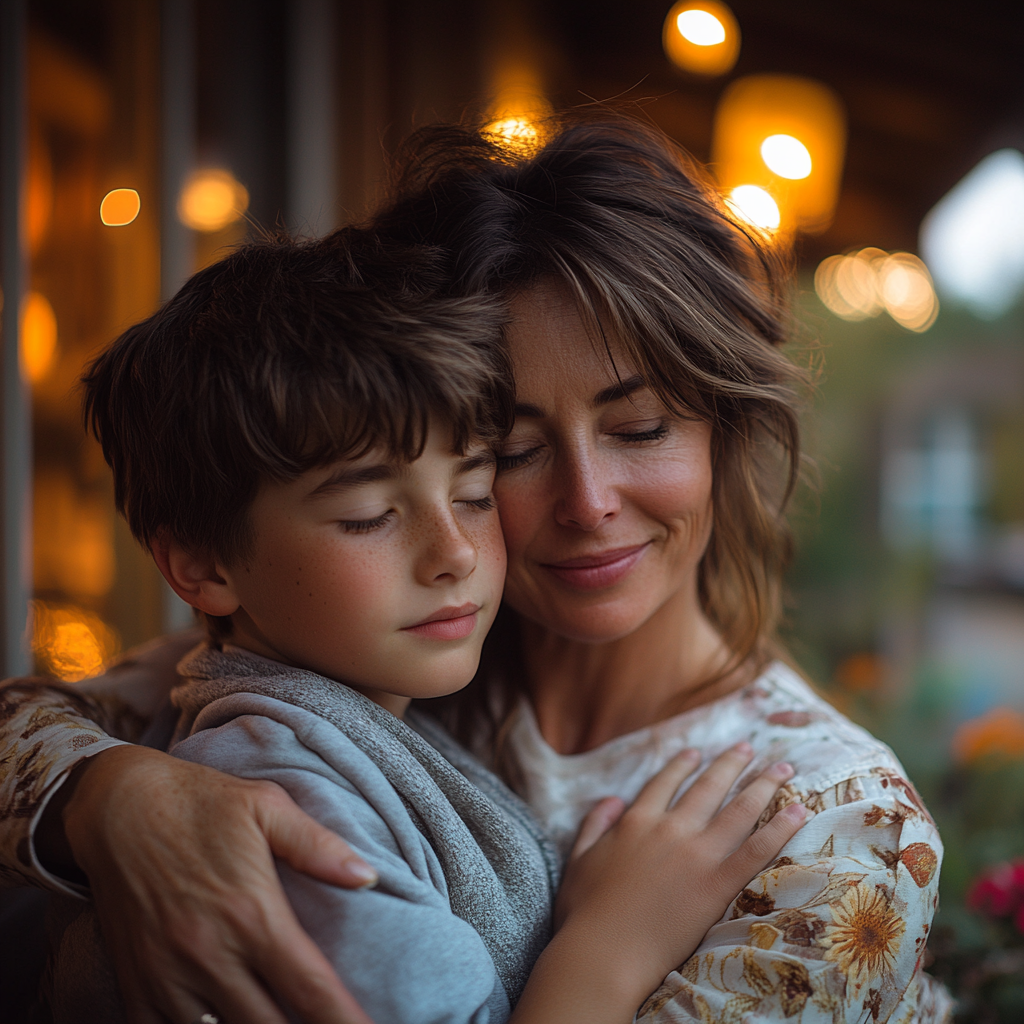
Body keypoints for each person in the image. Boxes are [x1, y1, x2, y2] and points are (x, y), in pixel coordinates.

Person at [0, 113, 950, 1023]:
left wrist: (603, 946)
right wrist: (109, 800)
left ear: (723, 430)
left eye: (641, 428)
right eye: (511, 450)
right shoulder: (378, 659)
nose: (588, 502)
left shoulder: (839, 825)